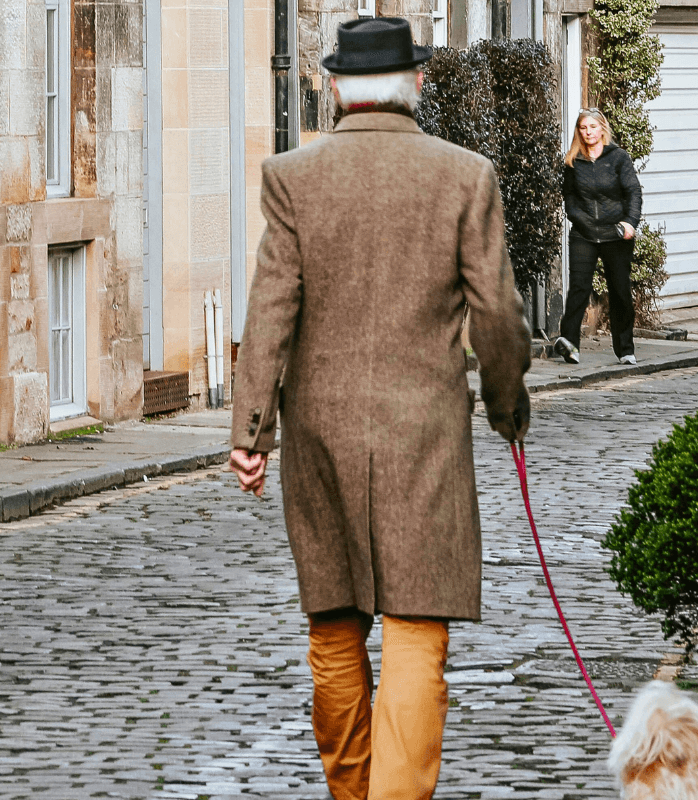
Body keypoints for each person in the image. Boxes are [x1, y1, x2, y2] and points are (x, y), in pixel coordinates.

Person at [227, 17, 532, 800]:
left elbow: (270, 311)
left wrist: (251, 432)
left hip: (322, 431)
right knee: (414, 632)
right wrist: (506, 406)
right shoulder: (465, 175)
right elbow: (496, 313)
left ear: (334, 88)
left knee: (333, 627)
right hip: (424, 435)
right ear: (418, 84)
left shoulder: (292, 176)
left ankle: (355, 791)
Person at [555, 108, 643, 366]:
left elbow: (633, 193)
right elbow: (569, 198)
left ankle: (625, 349)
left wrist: (630, 222)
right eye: (583, 128)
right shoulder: (573, 161)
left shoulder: (618, 158)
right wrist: (581, 221)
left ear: (602, 128)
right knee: (579, 288)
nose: (588, 132)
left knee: (619, 290)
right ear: (579, 131)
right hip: (584, 234)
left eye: (592, 127)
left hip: (615, 233)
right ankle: (569, 344)